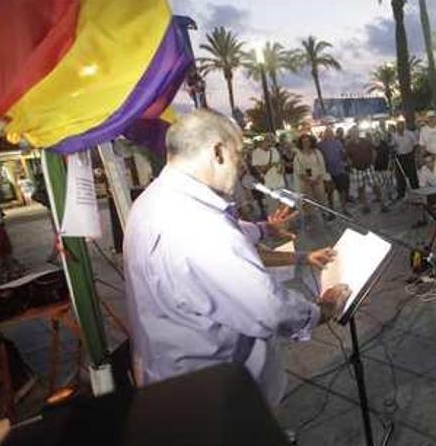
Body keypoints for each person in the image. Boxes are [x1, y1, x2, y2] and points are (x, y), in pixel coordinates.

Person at [124, 110, 351, 414]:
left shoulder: (154, 200)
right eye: (238, 153)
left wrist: (264, 229)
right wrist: (320, 311)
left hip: (178, 378)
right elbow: (268, 307)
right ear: (217, 152)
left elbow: (227, 238)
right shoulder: (198, 226)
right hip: (215, 391)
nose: (241, 164)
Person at [346, 127, 385, 213]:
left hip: (368, 167)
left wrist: (372, 163)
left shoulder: (365, 141)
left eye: (355, 132)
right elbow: (348, 157)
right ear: (350, 134)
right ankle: (365, 206)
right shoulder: (349, 144)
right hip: (357, 169)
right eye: (352, 133)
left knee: (375, 185)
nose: (354, 134)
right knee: (361, 188)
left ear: (358, 133)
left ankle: (382, 204)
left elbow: (374, 151)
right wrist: (351, 166)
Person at [293, 134, 330, 221]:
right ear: (300, 143)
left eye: (307, 141)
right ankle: (310, 217)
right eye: (303, 142)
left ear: (311, 142)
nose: (306, 143)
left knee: (321, 198)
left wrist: (317, 179)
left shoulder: (317, 152)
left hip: (318, 180)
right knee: (308, 201)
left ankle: (324, 214)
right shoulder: (298, 155)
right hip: (305, 182)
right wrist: (308, 181)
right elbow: (298, 171)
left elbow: (322, 166)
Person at [318, 128, 350, 215]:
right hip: (328, 173)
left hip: (339, 170)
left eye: (330, 133)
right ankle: (331, 211)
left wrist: (344, 159)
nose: (329, 134)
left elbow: (343, 153)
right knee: (329, 193)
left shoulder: (337, 142)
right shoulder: (320, 144)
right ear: (324, 134)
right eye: (327, 133)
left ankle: (344, 209)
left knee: (342, 191)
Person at [250, 136, 285, 214]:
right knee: (273, 209)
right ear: (264, 141)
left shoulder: (274, 150)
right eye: (269, 142)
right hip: (268, 186)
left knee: (283, 208)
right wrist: (271, 165)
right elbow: (259, 170)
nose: (271, 144)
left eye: (273, 142)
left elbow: (280, 162)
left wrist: (281, 168)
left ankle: (285, 225)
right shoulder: (256, 153)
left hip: (280, 183)